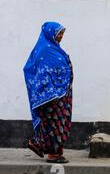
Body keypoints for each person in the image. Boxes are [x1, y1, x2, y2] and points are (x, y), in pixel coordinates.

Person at [23, 22, 73, 163]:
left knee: (57, 123)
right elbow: (43, 73)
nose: (61, 36)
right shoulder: (45, 50)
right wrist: (51, 93)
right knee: (53, 124)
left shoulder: (54, 49)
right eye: (59, 33)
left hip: (61, 94)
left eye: (62, 34)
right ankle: (53, 154)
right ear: (50, 33)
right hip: (51, 97)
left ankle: (38, 144)